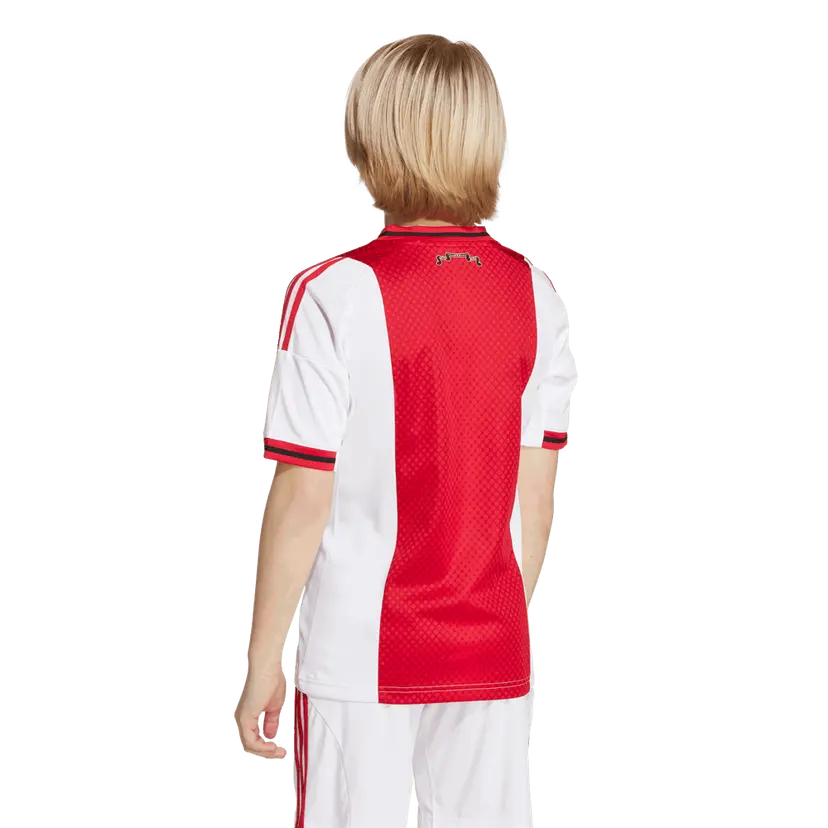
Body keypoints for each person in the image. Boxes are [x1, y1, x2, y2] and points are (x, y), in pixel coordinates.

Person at [235, 32, 578, 827]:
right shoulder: (538, 296)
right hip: (490, 648)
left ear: (369, 140)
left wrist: (262, 661)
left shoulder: (332, 293)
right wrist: (496, 629)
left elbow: (302, 494)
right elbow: (534, 502)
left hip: (360, 650)